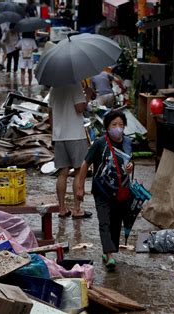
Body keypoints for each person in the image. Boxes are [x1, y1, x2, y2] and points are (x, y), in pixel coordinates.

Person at [76, 110, 134, 271]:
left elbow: (129, 162)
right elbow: (85, 164)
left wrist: (131, 167)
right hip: (101, 190)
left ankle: (108, 250)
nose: (118, 128)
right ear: (107, 127)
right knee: (105, 222)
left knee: (116, 223)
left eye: (121, 125)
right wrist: (80, 188)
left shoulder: (128, 143)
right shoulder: (100, 143)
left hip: (121, 190)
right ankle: (109, 255)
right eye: (114, 125)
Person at [48, 83, 93, 219]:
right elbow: (80, 108)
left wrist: (54, 132)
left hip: (59, 135)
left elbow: (50, 112)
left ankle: (62, 209)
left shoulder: (53, 88)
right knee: (79, 171)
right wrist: (88, 96)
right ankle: (77, 209)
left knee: (63, 172)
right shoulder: (74, 85)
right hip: (75, 135)